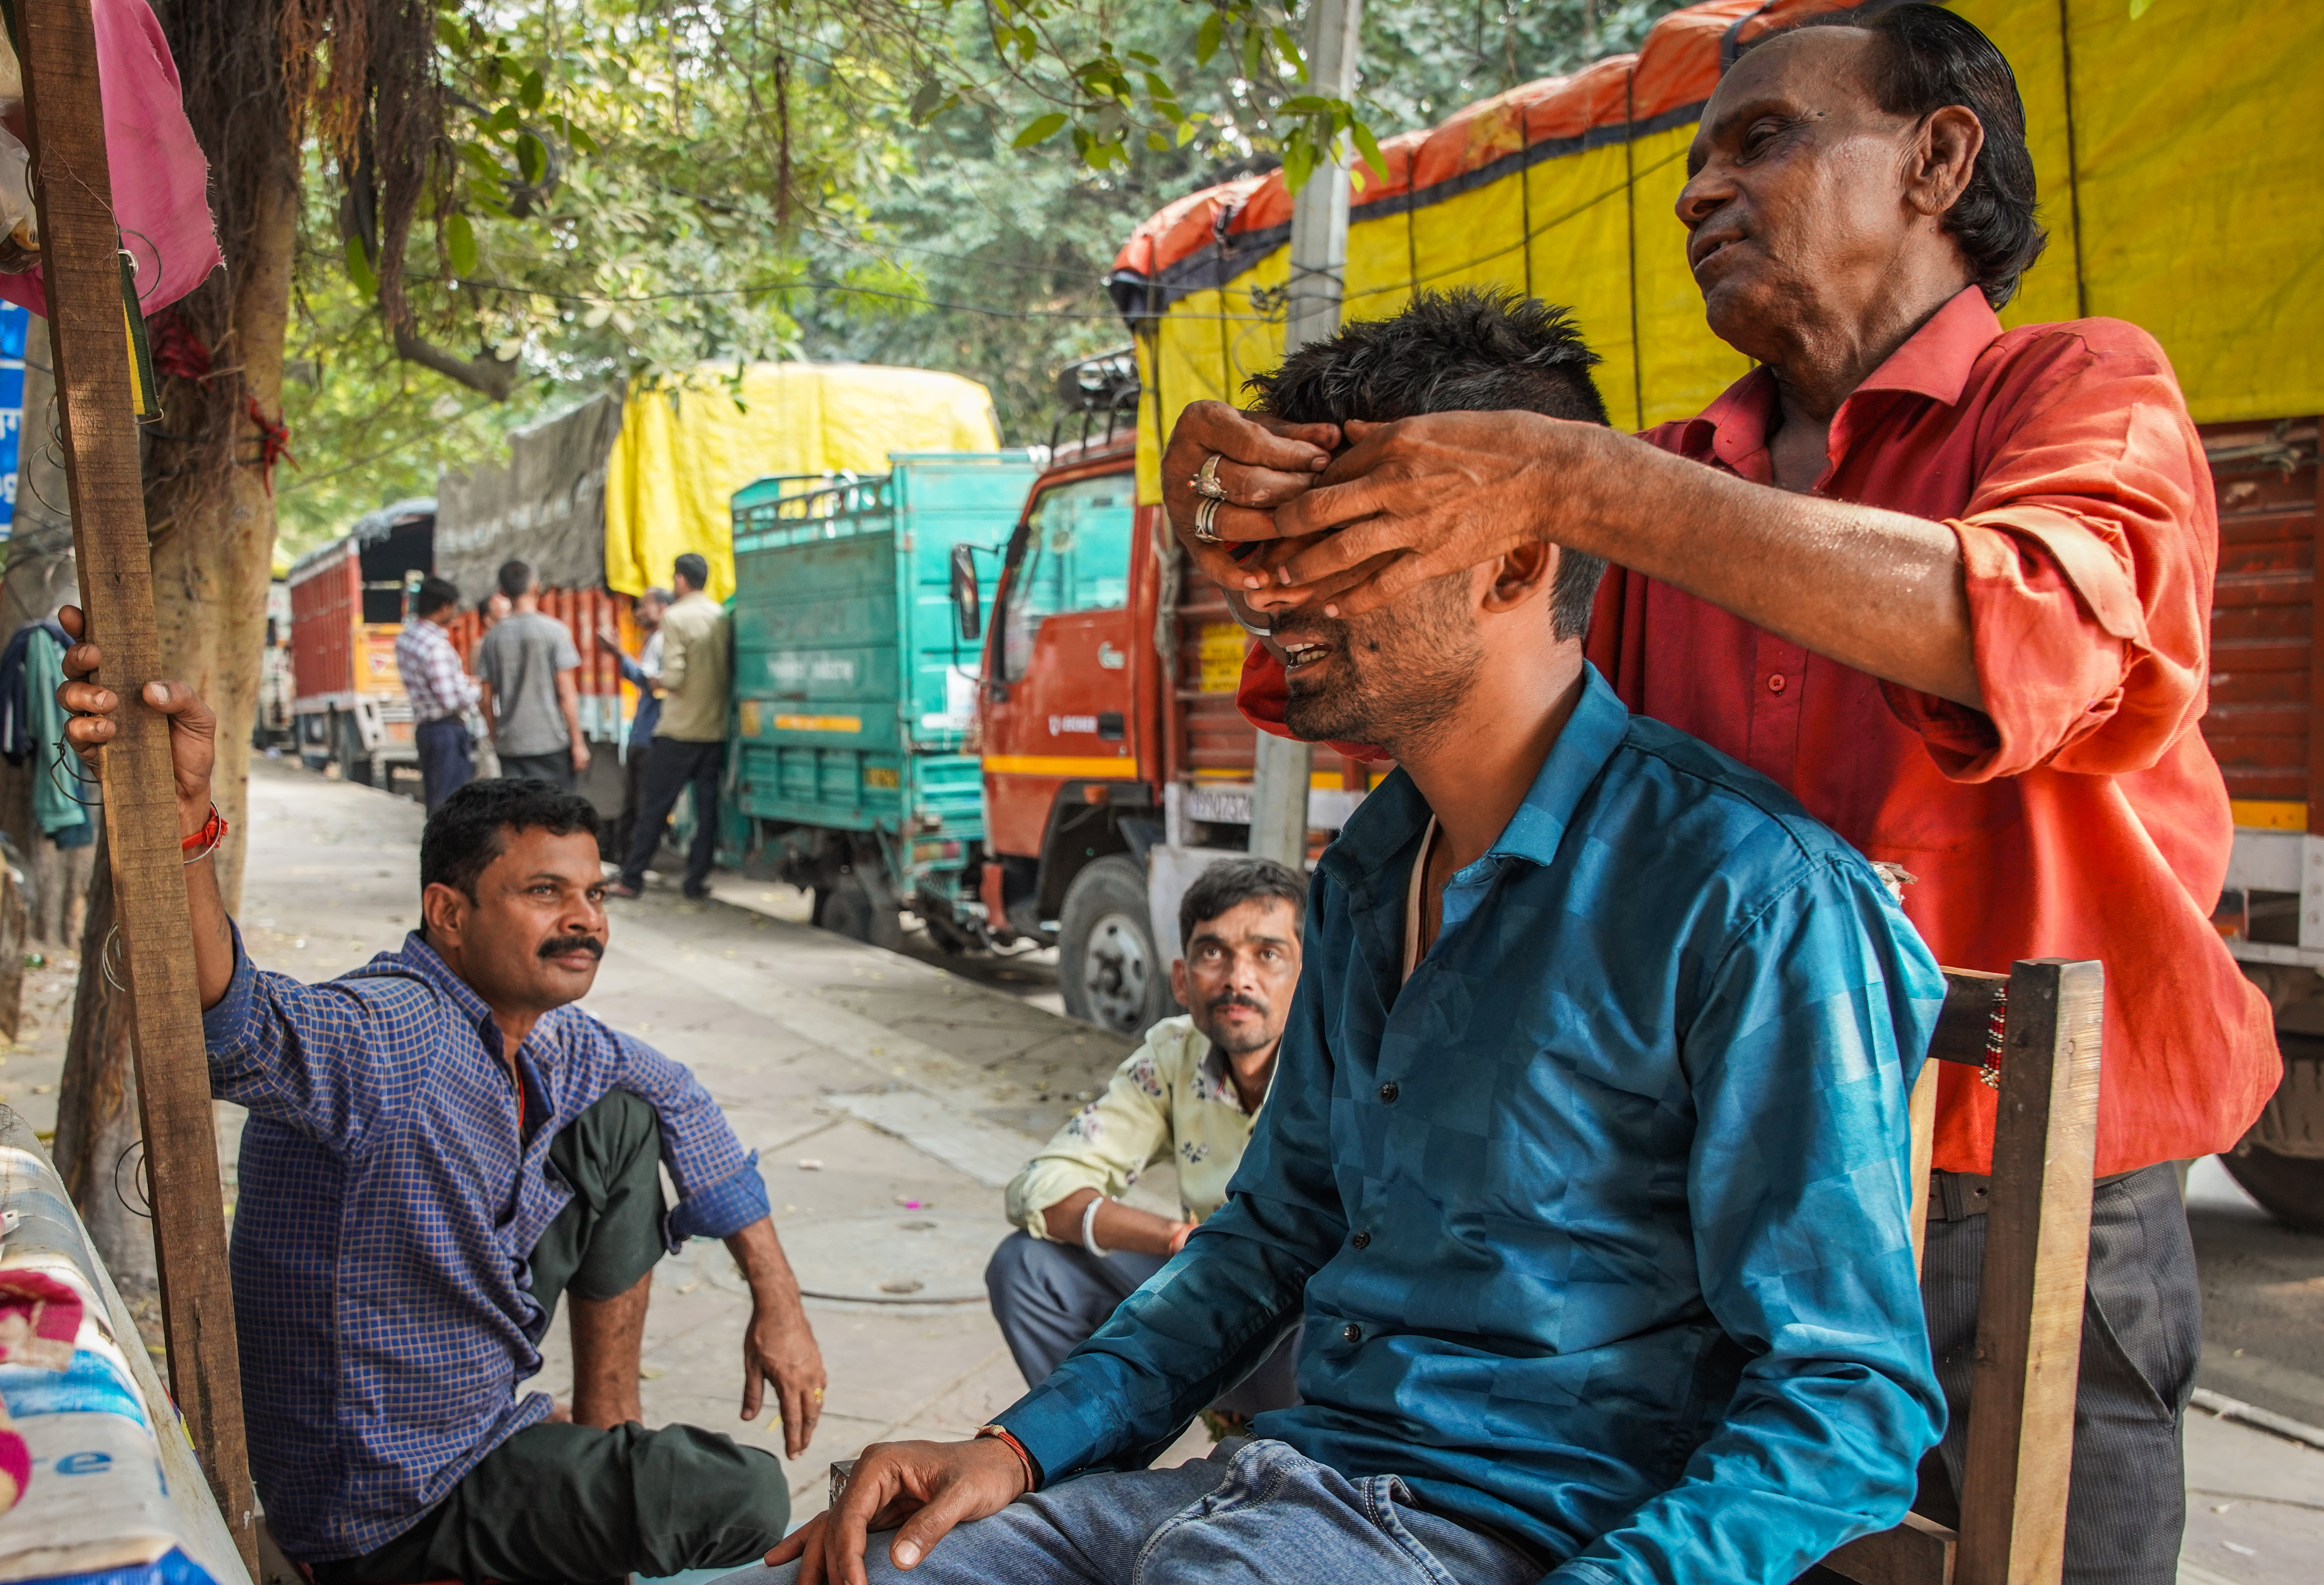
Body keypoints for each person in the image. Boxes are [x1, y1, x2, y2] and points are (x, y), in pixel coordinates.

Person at [1169, 12, 2274, 1580]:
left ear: (1936, 162)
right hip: (1716, 1205)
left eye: (1761, 139)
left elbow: (2021, 624)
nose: (1699, 190)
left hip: (2014, 1193)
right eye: (1692, 158)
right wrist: (1251, 521)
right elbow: (1396, 677)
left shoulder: (2078, 393)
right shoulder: (1675, 474)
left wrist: (1570, 479)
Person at [755, 293, 1944, 1585]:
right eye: (1268, 545)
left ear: (1508, 565)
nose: (1266, 592)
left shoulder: (1747, 897)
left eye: (1334, 542)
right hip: (1258, 1497)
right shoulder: (1372, 868)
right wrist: (1021, 1447)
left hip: (1499, 1541)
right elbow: (1272, 1232)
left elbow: (1846, 1400)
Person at [56, 610, 826, 1582]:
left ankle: (601, 1428)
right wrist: (186, 830)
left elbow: (675, 1091)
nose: (583, 920)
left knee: (625, 1122)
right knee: (741, 1494)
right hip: (381, 1505)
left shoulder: (542, 1037)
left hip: (471, 1423)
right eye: (545, 893)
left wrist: (779, 1300)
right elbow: (238, 1022)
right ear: (448, 914)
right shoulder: (395, 1030)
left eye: (593, 896)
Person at [987, 856, 1306, 1428]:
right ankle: (1100, 1459)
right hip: (1208, 1293)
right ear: (1182, 980)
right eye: (1214, 954)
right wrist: (1175, 1237)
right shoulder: (1172, 1054)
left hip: (1302, 1332)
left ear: (1310, 978)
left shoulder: (1338, 1069)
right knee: (1029, 1268)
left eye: (1268, 954)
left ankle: (1286, 1467)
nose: (1239, 979)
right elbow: (1039, 1185)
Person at [609, 553, 730, 901]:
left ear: (680, 580)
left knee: (654, 808)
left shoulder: (676, 617)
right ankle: (695, 882)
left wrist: (655, 678)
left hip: (678, 730)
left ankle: (632, 879)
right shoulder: (720, 615)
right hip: (714, 729)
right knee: (707, 812)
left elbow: (674, 678)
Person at [474, 558, 589, 792]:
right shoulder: (555, 631)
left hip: (511, 746)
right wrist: (578, 743)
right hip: (551, 743)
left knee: (519, 816)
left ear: (503, 592)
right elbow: (566, 693)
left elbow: (485, 699)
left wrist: (495, 736)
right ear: (535, 587)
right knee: (556, 815)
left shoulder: (492, 639)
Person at [596, 587, 670, 862]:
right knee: (634, 801)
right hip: (644, 731)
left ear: (662, 608)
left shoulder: (664, 641)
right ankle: (629, 859)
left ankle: (636, 861)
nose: (638, 613)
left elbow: (650, 682)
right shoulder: (653, 640)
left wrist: (619, 654)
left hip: (652, 733)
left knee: (642, 803)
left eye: (643, 606)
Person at [395, 575, 480, 813]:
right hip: (447, 731)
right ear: (444, 608)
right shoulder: (436, 646)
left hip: (426, 729)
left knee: (436, 801)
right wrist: (477, 690)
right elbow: (451, 699)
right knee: (452, 806)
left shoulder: (406, 639)